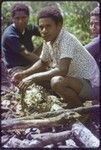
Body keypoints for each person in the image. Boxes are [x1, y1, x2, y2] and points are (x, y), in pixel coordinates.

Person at [12, 6, 100, 108]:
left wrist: (33, 77)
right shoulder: (48, 39)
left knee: (56, 81)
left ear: (59, 25)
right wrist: (24, 74)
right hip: (76, 83)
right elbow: (43, 62)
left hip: (92, 86)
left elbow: (62, 70)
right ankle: (72, 102)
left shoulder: (66, 39)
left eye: (48, 26)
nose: (44, 30)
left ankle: (80, 108)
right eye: (41, 27)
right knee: (42, 79)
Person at [2, 3, 42, 72]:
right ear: (12, 19)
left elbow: (46, 33)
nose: (21, 21)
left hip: (30, 63)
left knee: (48, 40)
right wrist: (44, 64)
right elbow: (26, 54)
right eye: (17, 18)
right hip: (15, 68)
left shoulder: (29, 27)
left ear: (28, 17)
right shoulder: (10, 35)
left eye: (24, 17)